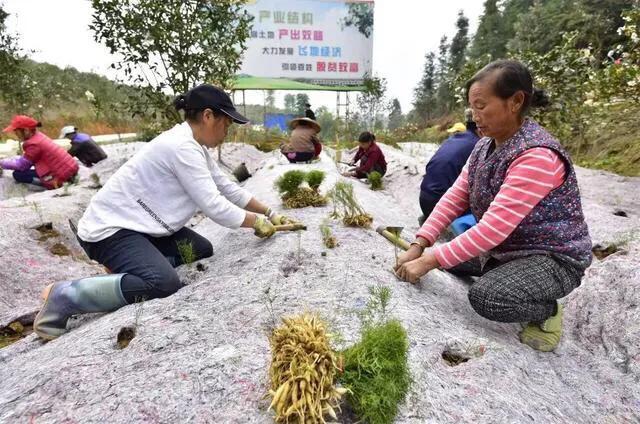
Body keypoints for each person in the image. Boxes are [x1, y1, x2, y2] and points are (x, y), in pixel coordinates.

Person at [34, 84, 298, 340]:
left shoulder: (195, 146)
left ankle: (124, 273)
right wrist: (256, 222)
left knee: (199, 249)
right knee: (162, 283)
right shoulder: (181, 147)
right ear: (208, 116)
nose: (226, 132)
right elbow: (214, 205)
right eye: (226, 124)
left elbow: (227, 187)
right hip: (110, 230)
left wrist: (271, 212)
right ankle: (64, 296)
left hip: (141, 227)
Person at [395, 60, 592, 352]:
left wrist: (428, 261)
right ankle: (503, 273)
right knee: (453, 260)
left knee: (487, 297)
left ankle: (547, 310)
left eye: (481, 106)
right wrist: (419, 244)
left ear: (515, 102)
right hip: (511, 248)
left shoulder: (537, 156)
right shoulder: (484, 146)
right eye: (472, 108)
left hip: (551, 257)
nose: (476, 117)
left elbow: (491, 231)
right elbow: (455, 196)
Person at [418, 110, 480, 225]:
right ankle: (449, 226)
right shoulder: (480, 146)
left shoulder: (453, 139)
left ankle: (430, 217)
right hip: (442, 206)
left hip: (424, 198)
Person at [0, 115, 78, 189]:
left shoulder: (33, 144)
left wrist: (2, 163)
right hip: (70, 171)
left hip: (61, 177)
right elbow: (27, 158)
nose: (16, 134)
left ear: (26, 130)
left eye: (17, 132)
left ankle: (48, 184)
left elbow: (22, 166)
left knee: (18, 174)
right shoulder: (38, 136)